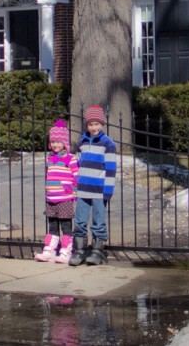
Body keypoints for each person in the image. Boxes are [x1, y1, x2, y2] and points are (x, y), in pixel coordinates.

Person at [69, 105, 117, 266]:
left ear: (102, 124)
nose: (94, 127)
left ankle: (97, 251)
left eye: (97, 124)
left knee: (98, 221)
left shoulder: (108, 144)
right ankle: (80, 250)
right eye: (90, 124)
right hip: (83, 189)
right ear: (86, 125)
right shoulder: (81, 142)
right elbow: (79, 163)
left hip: (99, 191)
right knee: (80, 221)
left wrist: (108, 190)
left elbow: (111, 169)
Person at [35, 119, 79, 263]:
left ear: (65, 143)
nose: (55, 145)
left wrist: (74, 191)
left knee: (66, 225)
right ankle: (49, 250)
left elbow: (76, 176)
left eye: (58, 142)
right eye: (53, 142)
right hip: (51, 199)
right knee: (52, 225)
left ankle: (66, 251)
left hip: (65, 198)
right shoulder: (50, 159)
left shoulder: (70, 159)